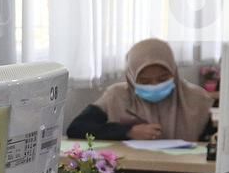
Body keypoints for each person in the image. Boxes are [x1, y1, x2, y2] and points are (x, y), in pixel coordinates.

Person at [66, 38, 214, 142]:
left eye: (162, 79)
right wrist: (128, 132)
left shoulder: (196, 98)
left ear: (174, 73)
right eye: (144, 81)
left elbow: (210, 144)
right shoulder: (117, 96)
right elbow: (77, 128)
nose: (155, 85)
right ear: (131, 78)